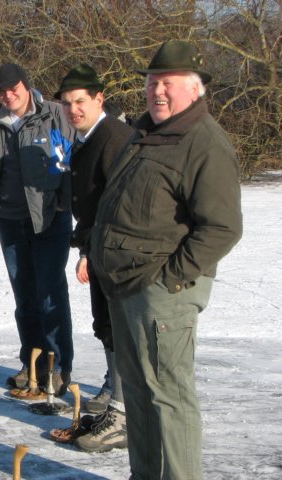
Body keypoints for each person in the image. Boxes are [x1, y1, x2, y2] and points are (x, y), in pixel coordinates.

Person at [90, 40, 243, 479]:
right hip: (125, 286)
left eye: (168, 84)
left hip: (162, 294)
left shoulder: (204, 143)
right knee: (139, 396)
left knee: (170, 400)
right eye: (152, 82)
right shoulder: (148, 133)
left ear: (195, 90)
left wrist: (170, 280)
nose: (157, 91)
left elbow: (222, 227)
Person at [0, 63, 74, 394]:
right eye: (1, 90)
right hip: (10, 218)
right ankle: (32, 362)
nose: (8, 95)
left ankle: (58, 366)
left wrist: (64, 200)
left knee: (50, 293)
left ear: (26, 85)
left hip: (49, 217)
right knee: (24, 295)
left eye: (13, 87)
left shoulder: (55, 114)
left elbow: (74, 159)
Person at [54, 63, 135, 452]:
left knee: (117, 327)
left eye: (80, 101)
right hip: (99, 246)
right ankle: (115, 401)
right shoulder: (85, 138)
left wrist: (92, 250)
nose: (73, 110)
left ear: (99, 99)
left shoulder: (114, 137)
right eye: (68, 103)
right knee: (105, 324)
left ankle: (122, 415)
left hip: (118, 253)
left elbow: (119, 204)